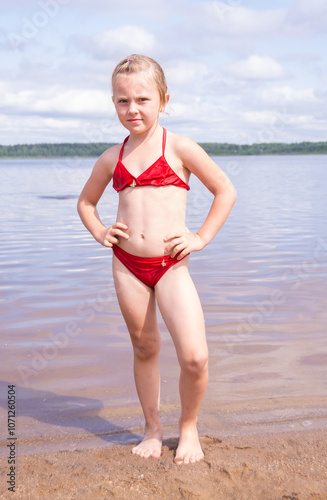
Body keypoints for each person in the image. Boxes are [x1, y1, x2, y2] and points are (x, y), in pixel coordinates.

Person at [77, 54, 237, 465]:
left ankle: (188, 427)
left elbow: (225, 191)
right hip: (127, 264)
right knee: (145, 347)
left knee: (195, 356)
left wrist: (200, 237)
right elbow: (86, 202)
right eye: (122, 101)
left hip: (170, 264)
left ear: (164, 100)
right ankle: (152, 429)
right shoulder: (112, 157)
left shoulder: (179, 148)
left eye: (143, 100)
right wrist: (100, 232)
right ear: (113, 103)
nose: (132, 110)